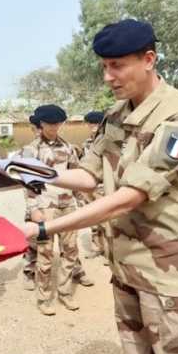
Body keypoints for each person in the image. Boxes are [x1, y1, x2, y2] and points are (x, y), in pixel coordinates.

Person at [22, 19, 178, 354]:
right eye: (104, 66)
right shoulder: (115, 115)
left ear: (149, 59)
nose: (108, 76)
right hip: (127, 270)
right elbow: (88, 175)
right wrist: (29, 172)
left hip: (168, 277)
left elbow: (127, 199)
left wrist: (46, 228)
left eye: (117, 65)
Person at [20, 104, 91, 315]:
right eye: (50, 124)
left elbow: (76, 175)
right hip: (45, 207)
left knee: (70, 251)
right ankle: (43, 298)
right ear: (41, 124)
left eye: (58, 123)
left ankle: (65, 293)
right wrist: (33, 208)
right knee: (45, 254)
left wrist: (82, 201)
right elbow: (27, 183)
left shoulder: (68, 147)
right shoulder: (31, 150)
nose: (54, 127)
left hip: (67, 206)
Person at [74, 110, 108, 260]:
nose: (93, 125)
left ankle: (109, 252)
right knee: (94, 219)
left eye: (96, 122)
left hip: (105, 187)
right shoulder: (86, 144)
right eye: (90, 123)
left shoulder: (108, 141)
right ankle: (98, 247)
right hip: (90, 188)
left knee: (108, 219)